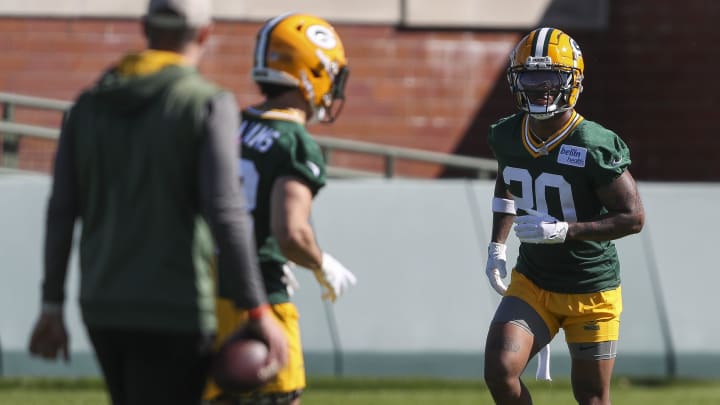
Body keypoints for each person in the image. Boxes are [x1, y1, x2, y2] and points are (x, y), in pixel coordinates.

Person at [26, 0, 288, 404]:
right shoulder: (207, 102)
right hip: (176, 303)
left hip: (102, 304)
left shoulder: (88, 104)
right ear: (205, 33)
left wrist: (52, 303)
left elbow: (62, 211)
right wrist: (256, 309)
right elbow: (225, 211)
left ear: (145, 27)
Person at [483, 27, 645, 405]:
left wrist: (565, 230)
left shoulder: (591, 143)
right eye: (531, 76)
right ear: (515, 80)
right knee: (500, 372)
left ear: (572, 81)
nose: (541, 87)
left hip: (591, 288)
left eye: (551, 77)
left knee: (590, 397)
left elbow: (633, 217)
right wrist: (497, 245)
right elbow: (508, 179)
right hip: (534, 280)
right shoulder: (507, 135)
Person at [203, 13, 357, 405]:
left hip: (210, 288)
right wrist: (321, 263)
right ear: (313, 73)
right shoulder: (294, 142)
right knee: (281, 398)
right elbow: (291, 232)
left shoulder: (232, 125)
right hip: (261, 294)